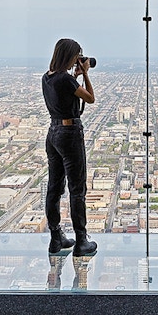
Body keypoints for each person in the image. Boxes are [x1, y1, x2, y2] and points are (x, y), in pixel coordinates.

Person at [41, 38, 98, 257]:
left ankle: (56, 239)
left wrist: (74, 76)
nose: (80, 59)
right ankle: (81, 241)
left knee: (54, 187)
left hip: (53, 133)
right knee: (77, 189)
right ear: (70, 55)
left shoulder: (48, 77)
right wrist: (85, 74)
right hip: (70, 134)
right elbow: (90, 99)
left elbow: (62, 96)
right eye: (78, 55)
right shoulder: (66, 79)